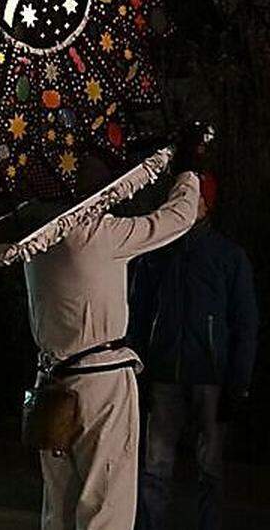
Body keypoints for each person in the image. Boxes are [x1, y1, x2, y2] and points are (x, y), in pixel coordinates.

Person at [22, 153, 200, 530]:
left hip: (52, 382)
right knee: (106, 504)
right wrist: (188, 169)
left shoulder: (35, 241)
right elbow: (178, 217)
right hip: (100, 382)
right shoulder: (98, 234)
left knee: (59, 506)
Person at [130, 173, 259, 530]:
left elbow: (245, 323)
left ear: (207, 204)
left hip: (211, 379)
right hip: (166, 374)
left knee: (210, 470)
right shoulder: (156, 255)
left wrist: (238, 383)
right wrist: (137, 370)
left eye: (195, 199)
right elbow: (138, 315)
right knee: (155, 467)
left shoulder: (228, 257)